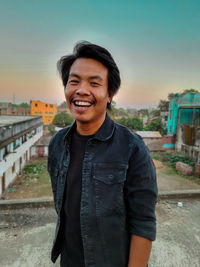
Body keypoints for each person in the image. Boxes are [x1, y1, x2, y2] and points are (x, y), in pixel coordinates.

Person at [48, 41, 158, 267]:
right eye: (74, 81)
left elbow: (143, 223)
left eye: (94, 83)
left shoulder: (132, 148)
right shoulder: (57, 144)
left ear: (110, 94)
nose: (81, 91)